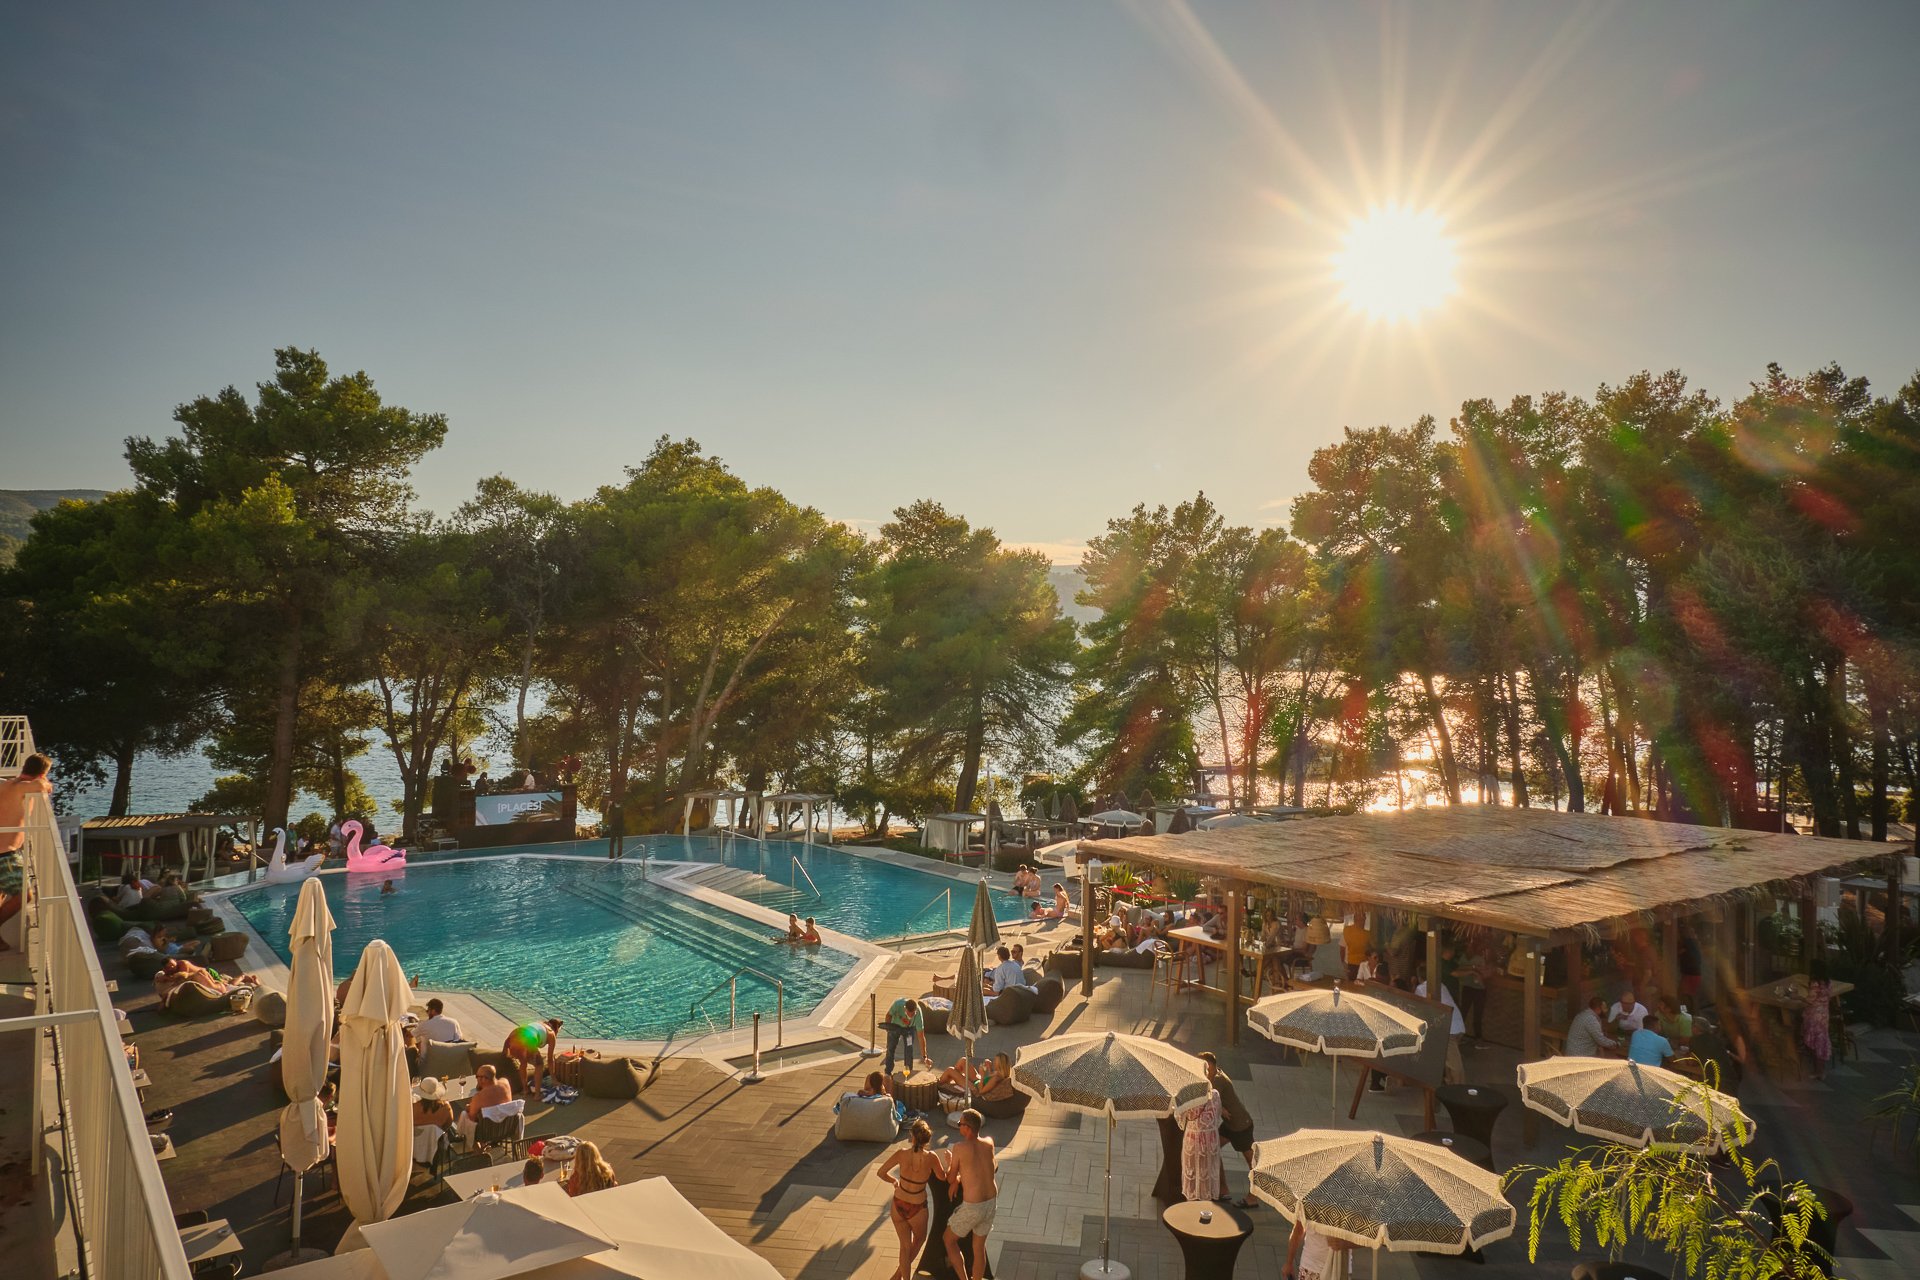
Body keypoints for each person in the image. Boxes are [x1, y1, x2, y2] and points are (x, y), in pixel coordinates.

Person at [876, 1119, 947, 1280]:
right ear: (927, 1139)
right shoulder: (931, 1157)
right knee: (920, 1240)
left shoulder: (901, 1153)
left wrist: (894, 1181)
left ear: (912, 1136)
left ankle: (899, 1276)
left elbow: (881, 1172)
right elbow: (942, 1177)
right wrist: (949, 1163)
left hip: (898, 1203)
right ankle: (897, 1275)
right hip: (917, 1206)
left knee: (904, 1247)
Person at [0, 754, 53, 944]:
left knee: (2, 893)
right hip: (6, 854)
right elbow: (42, 786)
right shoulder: (23, 787)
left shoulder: (7, 784)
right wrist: (45, 782)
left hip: (5, 850)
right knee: (25, 895)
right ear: (42, 773)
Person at [943, 1109, 998, 1280]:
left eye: (960, 1124)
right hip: (991, 1202)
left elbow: (949, 1178)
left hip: (973, 1206)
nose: (959, 1126)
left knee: (948, 1240)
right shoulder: (989, 1143)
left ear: (967, 1127)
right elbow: (992, 1166)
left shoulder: (959, 1148)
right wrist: (961, 1177)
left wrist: (951, 1164)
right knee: (979, 1248)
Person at [1199, 1051, 1259, 1207]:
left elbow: (1206, 1098)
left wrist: (1220, 1109)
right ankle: (1222, 1189)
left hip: (1240, 1125)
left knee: (1252, 1163)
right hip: (1229, 1125)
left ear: (1213, 1065)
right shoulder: (1214, 1076)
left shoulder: (1217, 1080)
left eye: (1207, 1067)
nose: (1205, 1070)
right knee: (1212, 1148)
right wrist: (1221, 1109)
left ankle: (1253, 1197)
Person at [1415, 968, 1468, 1083]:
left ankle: (1459, 1087)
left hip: (1448, 1028)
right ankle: (1449, 1083)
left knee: (1454, 1063)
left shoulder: (1421, 988)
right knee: (1446, 1058)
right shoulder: (1441, 985)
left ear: (1419, 977)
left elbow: (1418, 1009)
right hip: (1458, 1024)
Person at [1177, 1075, 1222, 1201]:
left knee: (1192, 1171)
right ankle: (1206, 1201)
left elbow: (1180, 1118)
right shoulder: (1215, 1095)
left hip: (1192, 1139)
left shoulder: (1188, 1095)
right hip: (1211, 1140)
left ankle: (1192, 1201)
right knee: (1208, 1170)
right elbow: (1217, 1117)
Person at [504, 1017, 563, 1096]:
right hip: (528, 1038)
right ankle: (537, 1095)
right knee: (539, 1064)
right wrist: (554, 1079)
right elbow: (550, 1059)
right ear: (557, 1028)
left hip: (514, 1036)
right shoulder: (551, 1033)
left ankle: (525, 1090)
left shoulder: (540, 1023)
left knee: (523, 1062)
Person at [1285, 1218, 1349, 1280]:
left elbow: (1356, 1239)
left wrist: (1343, 1244)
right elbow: (1298, 1231)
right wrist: (1289, 1263)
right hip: (1310, 1268)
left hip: (1337, 1269)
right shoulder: (1307, 1210)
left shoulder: (1347, 1213)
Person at [1803, 959, 1834, 1080]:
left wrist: (1797, 997)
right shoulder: (1828, 983)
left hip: (1814, 1017)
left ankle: (1817, 1071)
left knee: (1814, 1044)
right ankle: (1821, 1071)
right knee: (1822, 1043)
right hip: (1824, 1017)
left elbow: (1810, 1000)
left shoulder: (1815, 983)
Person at [882, 997, 929, 1075]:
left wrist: (924, 1056)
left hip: (909, 1029)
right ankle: (888, 1072)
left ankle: (908, 1071)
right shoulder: (897, 1005)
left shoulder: (918, 1014)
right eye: (908, 1013)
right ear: (905, 1009)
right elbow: (888, 1015)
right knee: (890, 1048)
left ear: (916, 1011)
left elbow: (921, 1037)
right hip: (895, 1026)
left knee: (909, 1050)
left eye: (912, 1014)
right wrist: (889, 1030)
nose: (910, 1016)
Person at [1342, 913, 1372, 980]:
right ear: (1355, 920)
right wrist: (1343, 964)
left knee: (1363, 983)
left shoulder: (1368, 934)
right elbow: (1342, 948)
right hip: (1351, 964)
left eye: (1363, 919)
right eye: (1359, 920)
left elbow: (1369, 951)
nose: (1361, 922)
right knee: (1352, 983)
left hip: (1364, 964)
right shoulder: (1347, 930)